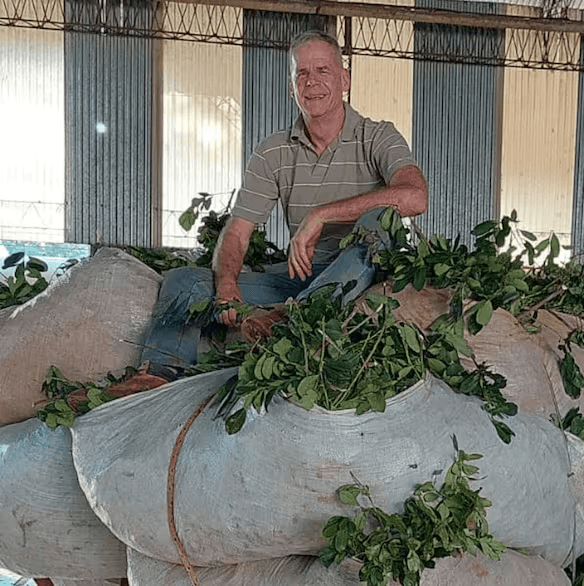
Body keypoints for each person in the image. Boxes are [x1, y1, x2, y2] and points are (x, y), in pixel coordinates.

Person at [67, 29, 427, 407]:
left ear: (344, 79)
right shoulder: (274, 152)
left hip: (362, 278)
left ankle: (297, 319)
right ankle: (158, 372)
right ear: (292, 88)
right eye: (301, 74)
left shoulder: (378, 136)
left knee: (377, 222)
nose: (312, 82)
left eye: (323, 69)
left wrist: (322, 215)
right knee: (184, 280)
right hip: (298, 280)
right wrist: (226, 287)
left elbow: (415, 196)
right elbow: (237, 234)